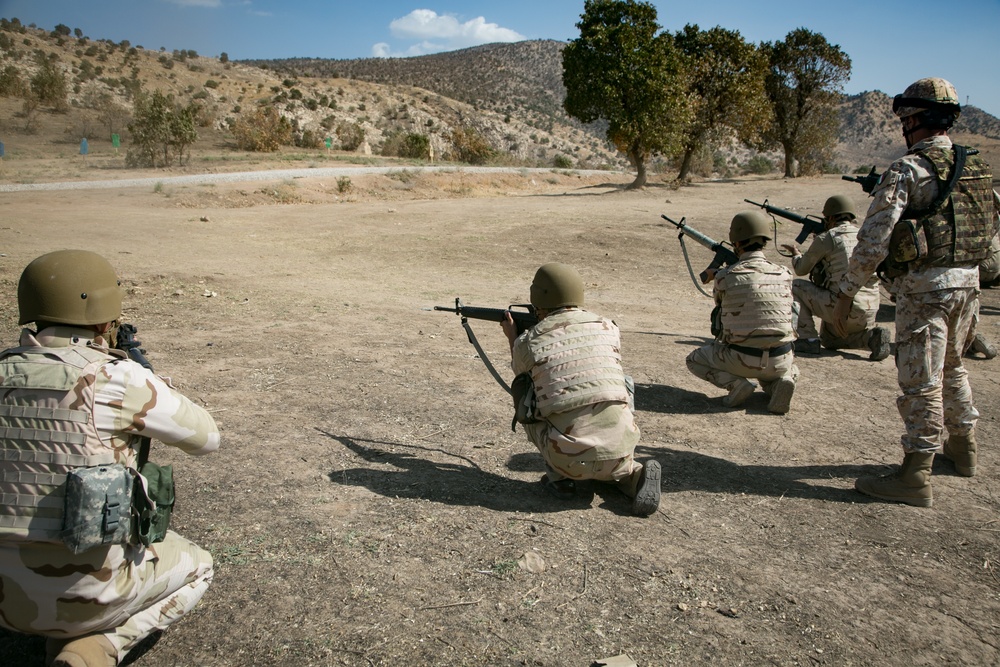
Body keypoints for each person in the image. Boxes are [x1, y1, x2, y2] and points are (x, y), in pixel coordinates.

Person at [0, 250, 221, 666]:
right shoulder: (116, 378)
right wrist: (145, 374)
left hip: (3, 605)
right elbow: (207, 437)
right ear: (105, 316)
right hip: (90, 592)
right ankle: (97, 648)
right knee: (199, 567)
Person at [833, 78, 1000, 507]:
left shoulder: (908, 169)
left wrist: (848, 290)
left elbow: (873, 239)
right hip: (969, 286)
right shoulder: (978, 168)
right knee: (953, 367)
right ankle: (964, 449)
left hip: (926, 291)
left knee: (921, 382)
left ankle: (915, 474)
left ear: (913, 120)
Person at [500, 262, 660, 516]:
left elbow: (521, 377)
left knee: (528, 404)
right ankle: (634, 475)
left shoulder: (529, 341)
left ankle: (560, 479)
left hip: (569, 459)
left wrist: (513, 337)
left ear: (537, 298)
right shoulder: (608, 327)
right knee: (619, 384)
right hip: (621, 447)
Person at [686, 211, 799, 414]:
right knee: (787, 364)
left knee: (694, 359)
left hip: (741, 358)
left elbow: (720, 308)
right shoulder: (784, 273)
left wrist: (718, 274)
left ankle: (737, 385)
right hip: (781, 358)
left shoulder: (726, 277)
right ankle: (780, 383)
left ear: (736, 243)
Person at [780, 195, 891, 360]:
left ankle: (807, 338)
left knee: (795, 286)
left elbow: (801, 269)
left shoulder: (828, 237)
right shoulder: (865, 235)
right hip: (870, 309)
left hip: (842, 306)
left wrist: (796, 255)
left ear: (830, 217)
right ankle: (870, 338)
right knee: (829, 340)